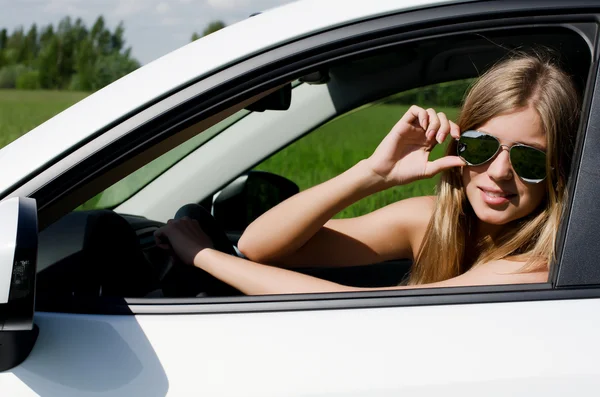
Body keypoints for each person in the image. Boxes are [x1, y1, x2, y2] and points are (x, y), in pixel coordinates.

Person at [154, 52, 580, 295]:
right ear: (459, 146)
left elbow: (366, 313)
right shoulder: (431, 220)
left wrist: (203, 257)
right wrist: (373, 174)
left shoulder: (536, 266)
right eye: (482, 147)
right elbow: (258, 246)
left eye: (528, 160)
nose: (500, 171)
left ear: (557, 169)